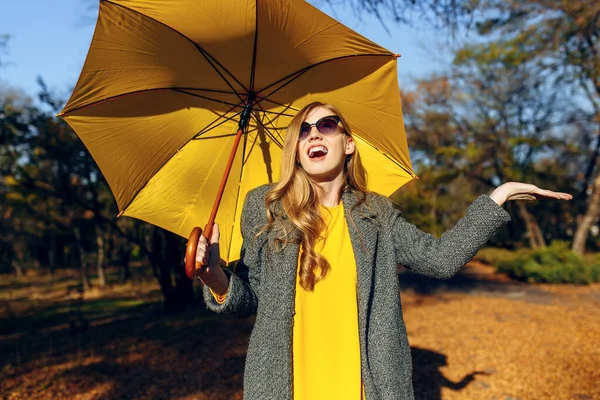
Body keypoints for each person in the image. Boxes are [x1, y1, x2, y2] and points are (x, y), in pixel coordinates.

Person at [192, 102, 572, 400]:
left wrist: (498, 195)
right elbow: (250, 296)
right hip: (287, 382)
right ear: (296, 148)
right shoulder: (266, 207)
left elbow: (440, 260)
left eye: (326, 125)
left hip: (364, 384)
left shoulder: (377, 213)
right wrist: (215, 277)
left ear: (348, 143)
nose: (313, 135)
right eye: (302, 130)